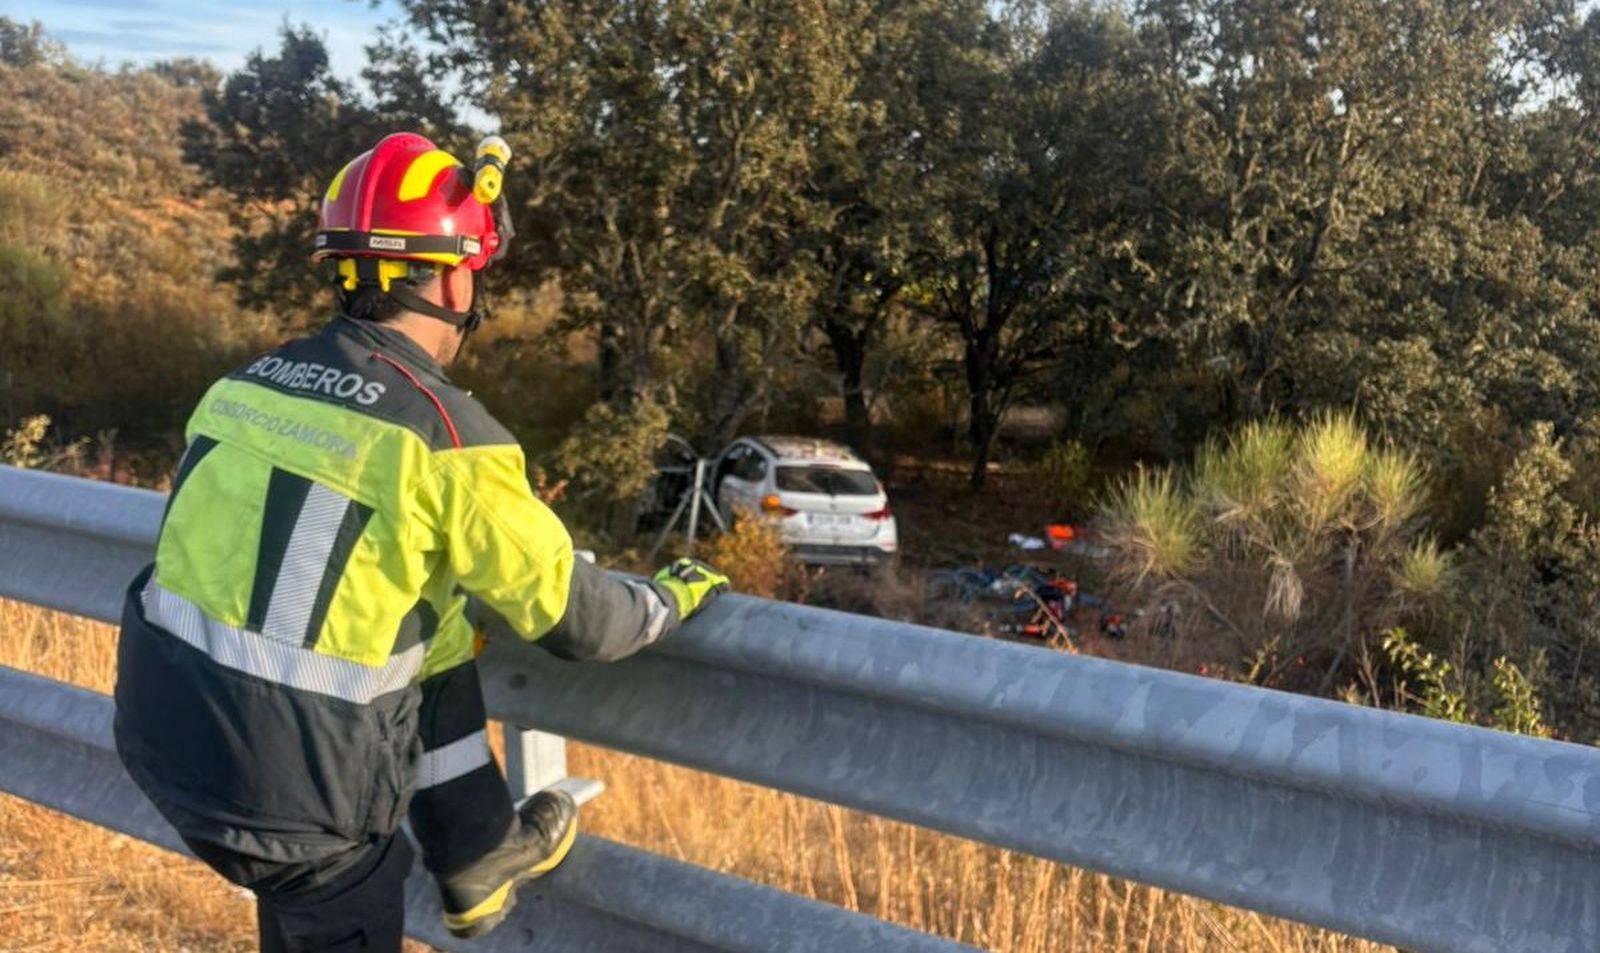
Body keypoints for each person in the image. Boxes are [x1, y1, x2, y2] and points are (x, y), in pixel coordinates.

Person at [112, 131, 729, 952]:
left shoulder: (241, 387)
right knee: (331, 894)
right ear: (453, 277)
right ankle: (460, 855)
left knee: (435, 623)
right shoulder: (445, 436)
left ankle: (476, 851)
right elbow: (584, 624)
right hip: (303, 808)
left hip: (163, 734)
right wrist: (669, 595)